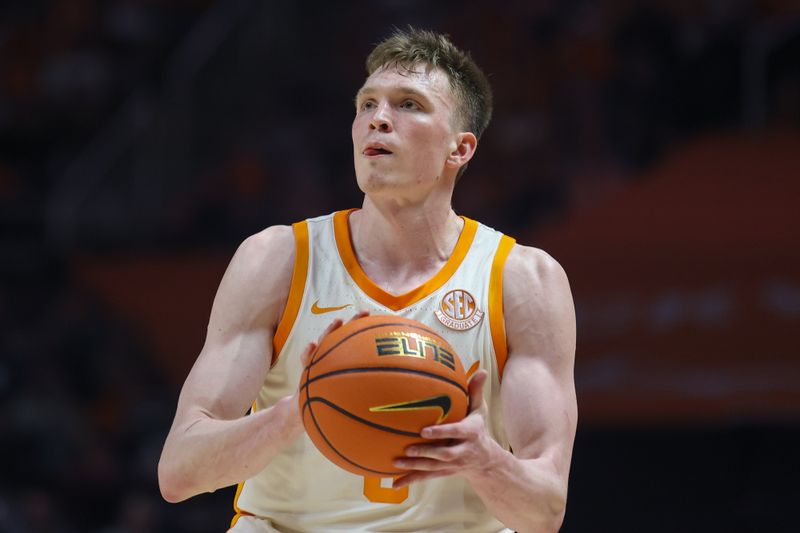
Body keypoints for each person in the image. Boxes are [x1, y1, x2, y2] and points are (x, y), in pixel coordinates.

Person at [158, 27, 577, 533]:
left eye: (408, 105)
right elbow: (180, 472)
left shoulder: (523, 279)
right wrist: (303, 408)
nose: (378, 119)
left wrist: (483, 458)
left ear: (459, 149)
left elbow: (545, 512)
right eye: (366, 105)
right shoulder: (276, 259)